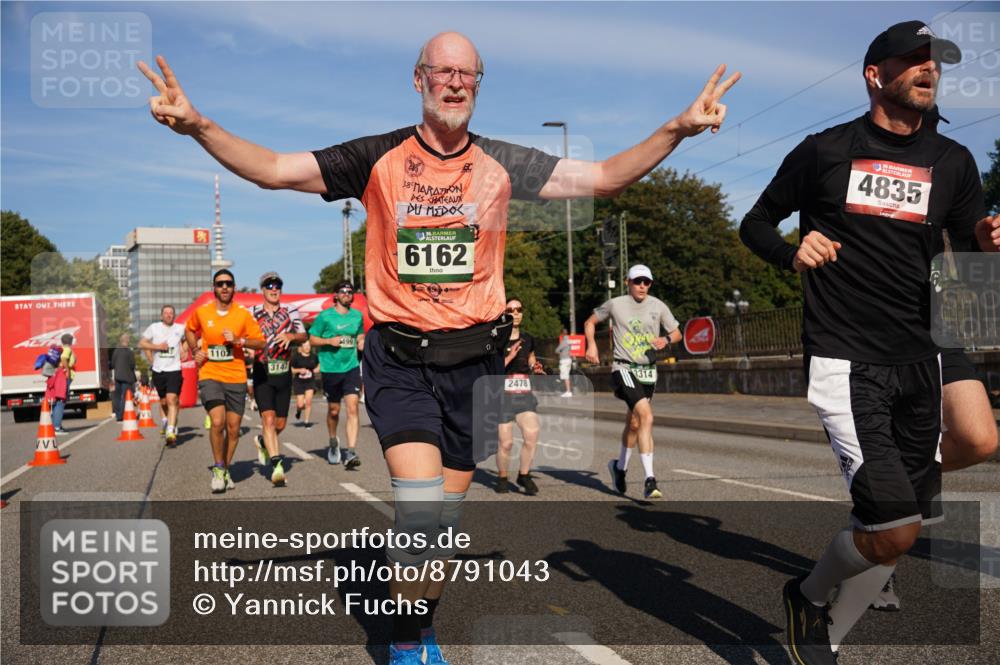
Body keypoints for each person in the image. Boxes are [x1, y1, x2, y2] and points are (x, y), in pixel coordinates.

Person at [140, 31, 737, 664]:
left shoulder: (503, 163)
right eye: (441, 72)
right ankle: (407, 642)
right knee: (422, 518)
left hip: (476, 368)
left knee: (441, 530)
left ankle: (416, 621)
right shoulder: (378, 158)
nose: (454, 83)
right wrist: (199, 124)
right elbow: (275, 170)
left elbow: (606, 176)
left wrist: (676, 128)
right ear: (418, 79)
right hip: (401, 362)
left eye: (467, 75)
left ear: (477, 85)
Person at [738, 21, 999, 665]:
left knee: (904, 523)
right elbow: (756, 222)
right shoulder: (825, 152)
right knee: (897, 529)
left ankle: (826, 618)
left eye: (934, 61)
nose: (927, 69)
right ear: (874, 75)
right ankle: (808, 594)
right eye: (912, 60)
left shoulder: (953, 162)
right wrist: (791, 250)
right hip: (848, 354)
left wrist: (988, 246)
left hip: (924, 349)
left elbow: (967, 254)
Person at [868, 106, 999, 612]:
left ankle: (899, 489)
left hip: (937, 328)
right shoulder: (871, 174)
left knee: (980, 436)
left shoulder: (954, 177)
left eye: (931, 125)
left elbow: (972, 269)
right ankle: (877, 562)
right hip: (876, 336)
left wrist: (988, 248)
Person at [584, 265, 681, 500]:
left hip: (648, 371)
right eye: (638, 281)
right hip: (623, 368)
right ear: (627, 281)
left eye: (647, 282)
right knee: (647, 416)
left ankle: (620, 468)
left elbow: (678, 332)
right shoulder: (615, 304)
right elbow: (590, 322)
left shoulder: (658, 306)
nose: (642, 286)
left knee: (636, 423)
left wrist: (666, 339)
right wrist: (592, 344)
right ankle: (650, 479)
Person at [184, 269, 266, 493]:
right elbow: (189, 329)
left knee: (233, 428)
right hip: (210, 374)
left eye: (228, 283)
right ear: (214, 288)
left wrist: (240, 340)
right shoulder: (202, 312)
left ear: (234, 287)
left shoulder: (243, 314)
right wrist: (194, 350)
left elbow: (260, 343)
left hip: (236, 376)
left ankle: (225, 468)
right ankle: (218, 467)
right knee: (217, 422)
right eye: (220, 283)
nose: (224, 287)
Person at [250, 271, 308, 486]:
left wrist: (291, 336)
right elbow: (243, 332)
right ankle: (277, 466)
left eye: (277, 286)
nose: (274, 289)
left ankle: (262, 441)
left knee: (281, 424)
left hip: (283, 371)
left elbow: (303, 336)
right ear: (263, 290)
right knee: (269, 420)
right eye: (269, 286)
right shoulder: (252, 312)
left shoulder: (290, 311)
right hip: (262, 371)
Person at [309, 280, 365, 468]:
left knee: (353, 408)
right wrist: (329, 341)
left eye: (350, 291)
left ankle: (351, 452)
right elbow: (312, 339)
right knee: (334, 411)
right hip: (331, 368)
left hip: (351, 367)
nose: (346, 294)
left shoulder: (357, 316)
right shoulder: (325, 317)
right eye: (343, 291)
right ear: (336, 295)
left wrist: (361, 341)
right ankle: (333, 442)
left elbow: (359, 335)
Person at [495, 297, 547, 495]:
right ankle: (502, 477)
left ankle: (523, 475)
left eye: (518, 309)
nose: (515, 313)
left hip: (524, 395)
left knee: (532, 434)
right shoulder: (497, 339)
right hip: (503, 397)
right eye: (510, 310)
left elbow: (532, 358)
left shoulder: (528, 338)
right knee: (506, 443)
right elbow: (492, 368)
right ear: (504, 314)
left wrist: (536, 367)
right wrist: (509, 356)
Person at [139, 305, 187, 445]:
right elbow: (142, 343)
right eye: (166, 313)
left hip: (174, 369)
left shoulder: (180, 328)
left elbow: (186, 341)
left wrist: (184, 350)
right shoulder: (154, 327)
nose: (168, 315)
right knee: (164, 402)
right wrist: (157, 348)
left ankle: (171, 431)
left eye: (171, 313)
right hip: (158, 370)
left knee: (172, 399)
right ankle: (166, 421)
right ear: (161, 316)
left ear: (174, 315)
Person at [52, 333, 76, 434]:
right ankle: (56, 427)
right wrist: (67, 369)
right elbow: (64, 358)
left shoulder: (61, 349)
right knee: (61, 401)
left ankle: (56, 425)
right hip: (64, 377)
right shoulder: (67, 349)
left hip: (59, 376)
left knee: (58, 400)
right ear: (70, 341)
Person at [292, 340, 319, 428]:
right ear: (301, 347)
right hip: (299, 382)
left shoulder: (314, 356)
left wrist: (317, 369)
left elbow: (319, 364)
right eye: (305, 345)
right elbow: (291, 370)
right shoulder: (296, 357)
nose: (307, 347)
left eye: (309, 345)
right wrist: (299, 370)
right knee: (300, 404)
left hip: (310, 381)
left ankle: (306, 422)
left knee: (308, 402)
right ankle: (299, 411)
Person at [110, 333, 137, 421]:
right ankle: (121, 415)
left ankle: (118, 414)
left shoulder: (116, 351)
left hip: (117, 377)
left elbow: (112, 364)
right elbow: (132, 365)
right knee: (125, 397)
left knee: (117, 397)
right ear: (127, 341)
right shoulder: (129, 352)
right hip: (127, 377)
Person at [555, 327, 574, 397]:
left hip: (564, 360)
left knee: (565, 376)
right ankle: (567, 390)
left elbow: (557, 350)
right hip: (568, 359)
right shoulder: (569, 341)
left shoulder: (564, 341)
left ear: (562, 334)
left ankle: (568, 391)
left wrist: (559, 352)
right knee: (566, 375)